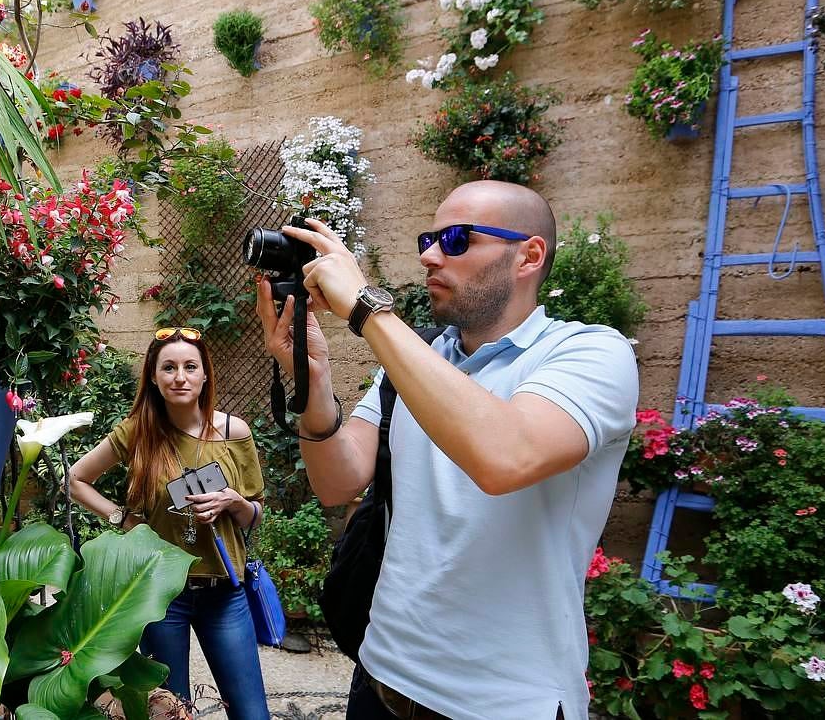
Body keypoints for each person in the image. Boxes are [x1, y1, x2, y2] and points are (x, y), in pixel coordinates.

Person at [255, 180, 638, 720]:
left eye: (458, 239)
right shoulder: (423, 360)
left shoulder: (589, 352)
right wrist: (312, 380)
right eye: (428, 238)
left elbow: (505, 457)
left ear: (528, 255)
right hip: (382, 676)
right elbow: (338, 480)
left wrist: (367, 310)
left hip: (502, 702)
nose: (431, 256)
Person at [68, 327, 270, 720]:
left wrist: (234, 501)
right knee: (170, 712)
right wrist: (126, 522)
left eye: (190, 366)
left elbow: (256, 513)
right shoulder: (139, 433)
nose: (180, 376)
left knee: (251, 713)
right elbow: (75, 481)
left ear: (205, 374)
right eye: (169, 368)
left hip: (224, 591)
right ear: (154, 377)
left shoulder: (233, 432)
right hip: (161, 595)